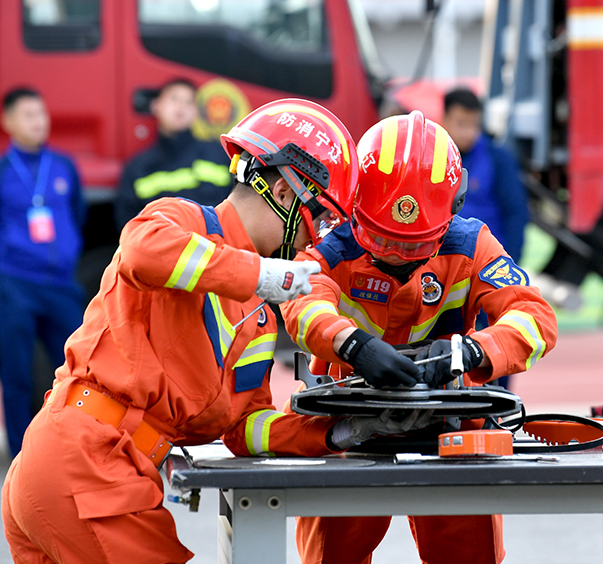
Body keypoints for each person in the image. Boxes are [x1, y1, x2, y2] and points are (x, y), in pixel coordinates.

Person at [1, 98, 411, 564]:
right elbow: (144, 251)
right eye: (320, 216)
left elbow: (247, 428)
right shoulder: (179, 221)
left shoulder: (257, 313)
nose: (317, 237)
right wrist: (264, 275)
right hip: (88, 466)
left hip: (94, 470)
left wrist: (346, 430)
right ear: (282, 192)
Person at [280, 110, 558, 564]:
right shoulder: (329, 248)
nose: (395, 255)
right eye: (383, 239)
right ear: (353, 205)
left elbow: (534, 317)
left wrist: (473, 351)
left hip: (449, 427)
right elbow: (302, 305)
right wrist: (354, 345)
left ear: (453, 210)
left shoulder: (471, 246)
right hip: (350, 429)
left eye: (413, 245)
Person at [0, 87, 86, 457]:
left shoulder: (63, 165)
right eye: (28, 115)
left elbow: (77, 213)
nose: (38, 122)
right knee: (17, 375)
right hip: (15, 284)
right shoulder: (3, 170)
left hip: (61, 284)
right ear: (8, 122)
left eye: (41, 114)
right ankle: (22, 455)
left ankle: (70, 450)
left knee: (77, 371)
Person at [440, 87, 530, 389]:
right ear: (444, 119)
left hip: (487, 269)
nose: (468, 132)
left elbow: (516, 213)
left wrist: (509, 263)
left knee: (496, 344)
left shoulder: (497, 158)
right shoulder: (432, 158)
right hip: (446, 271)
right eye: (461, 124)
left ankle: (497, 411)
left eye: (474, 125)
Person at [114, 78, 231, 229]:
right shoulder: (137, 167)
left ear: (196, 112)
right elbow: (127, 225)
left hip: (218, 247)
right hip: (164, 249)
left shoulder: (218, 155)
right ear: (156, 106)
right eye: (174, 99)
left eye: (189, 102)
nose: (181, 107)